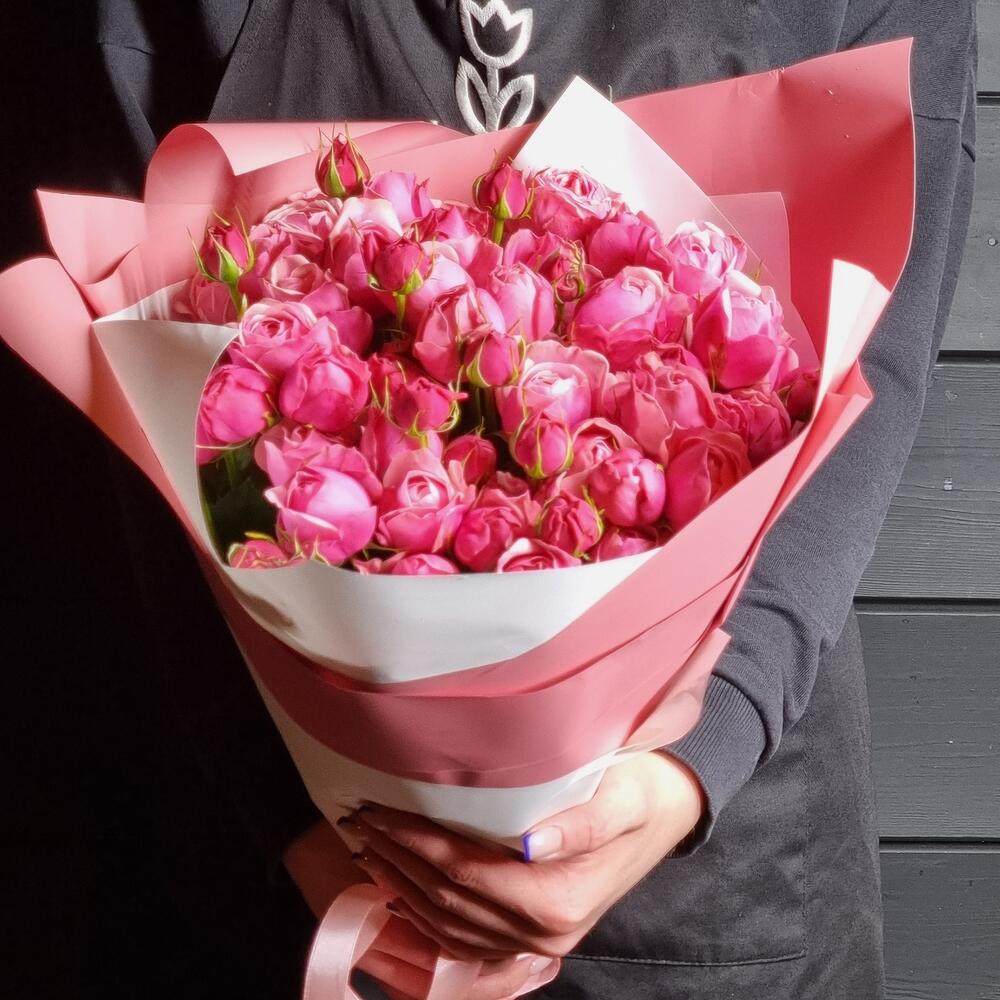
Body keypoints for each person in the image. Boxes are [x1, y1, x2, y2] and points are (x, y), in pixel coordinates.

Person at [31, 2, 977, 998]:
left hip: (724, 858)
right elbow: (127, 393)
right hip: (313, 864)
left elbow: (874, 355)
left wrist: (697, 755)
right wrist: (292, 809)